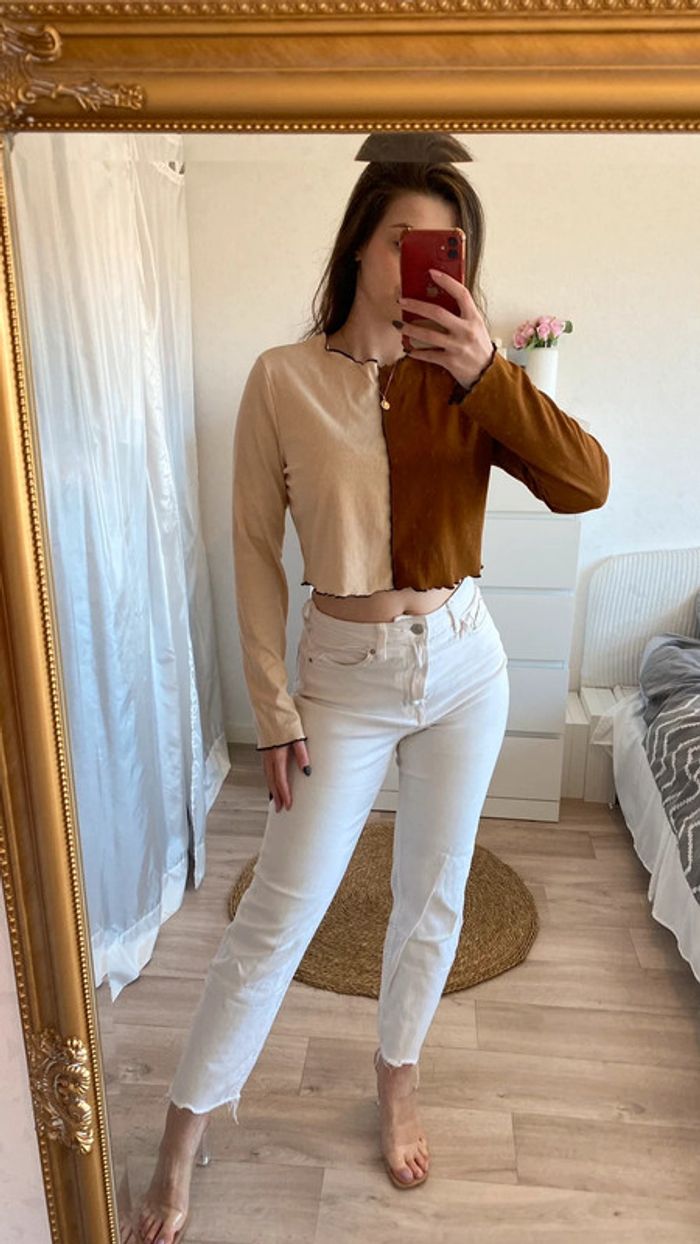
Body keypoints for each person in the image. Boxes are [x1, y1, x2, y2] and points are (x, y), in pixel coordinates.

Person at [122, 134, 610, 1243]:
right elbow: (252, 549)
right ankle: (179, 1143)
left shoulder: (468, 379)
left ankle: (397, 1079)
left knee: (433, 895)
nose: (421, 263)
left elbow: (585, 483)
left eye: (446, 247)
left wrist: (489, 373)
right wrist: (271, 709)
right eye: (403, 240)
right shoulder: (282, 378)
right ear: (358, 246)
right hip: (340, 681)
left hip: (465, 663)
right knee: (277, 915)